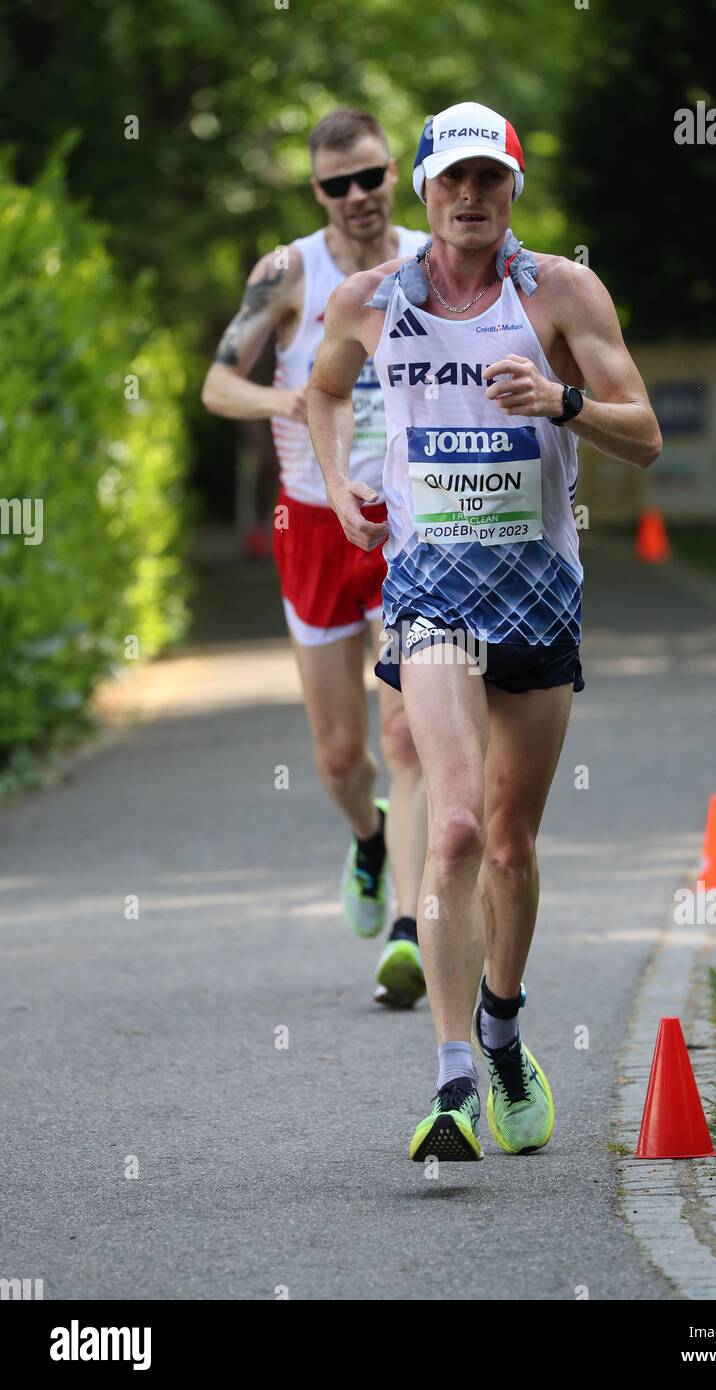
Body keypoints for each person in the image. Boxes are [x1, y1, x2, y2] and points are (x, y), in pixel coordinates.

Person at [308, 100, 662, 1159]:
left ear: (512, 188)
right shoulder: (373, 302)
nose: (470, 199)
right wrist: (336, 486)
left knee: (510, 841)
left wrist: (559, 402)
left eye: (490, 181)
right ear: (422, 191)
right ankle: (453, 1080)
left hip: (537, 593)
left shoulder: (558, 291)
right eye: (451, 181)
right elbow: (322, 394)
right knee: (454, 823)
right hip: (430, 595)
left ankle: (505, 1025)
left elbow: (640, 434)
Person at [202, 108, 429, 1007]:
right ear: (317, 193)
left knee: (406, 731)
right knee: (341, 758)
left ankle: (412, 927)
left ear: (391, 173)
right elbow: (217, 381)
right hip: (313, 526)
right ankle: (369, 839)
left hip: (408, 523)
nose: (359, 197)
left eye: (371, 176)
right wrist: (286, 398)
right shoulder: (287, 271)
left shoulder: (425, 260)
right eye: (338, 184)